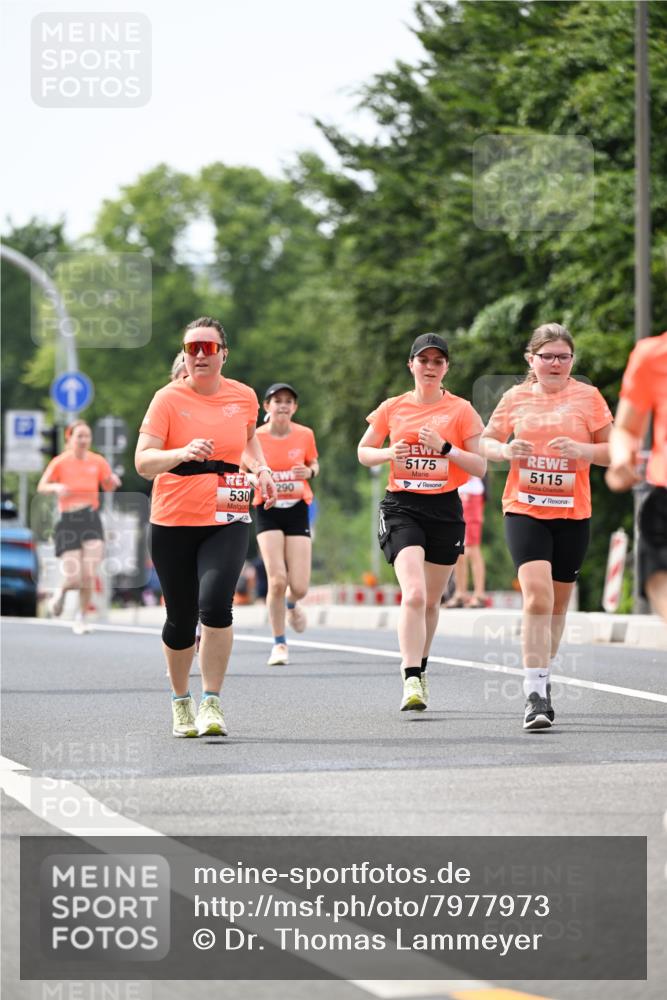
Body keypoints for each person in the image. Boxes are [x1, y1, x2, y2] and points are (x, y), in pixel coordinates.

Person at [135, 317, 277, 738]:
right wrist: (181, 451)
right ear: (184, 352)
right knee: (180, 619)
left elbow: (248, 441)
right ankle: (181, 702)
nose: (199, 355)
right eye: (192, 347)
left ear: (223, 354)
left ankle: (211, 702)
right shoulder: (167, 399)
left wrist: (262, 467)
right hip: (173, 517)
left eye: (207, 348)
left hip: (226, 514)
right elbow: (143, 462)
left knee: (215, 605)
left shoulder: (245, 397)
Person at [480, 322, 613, 730]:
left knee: (556, 607)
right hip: (525, 508)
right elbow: (484, 442)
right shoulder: (515, 397)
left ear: (571, 360)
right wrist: (504, 448)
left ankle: (544, 673)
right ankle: (534, 694)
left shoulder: (588, 397)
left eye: (563, 356)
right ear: (531, 360)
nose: (555, 363)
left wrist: (582, 449)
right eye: (547, 356)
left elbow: (613, 452)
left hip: (573, 514)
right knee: (536, 599)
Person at [358, 333, 486, 712]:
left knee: (431, 601)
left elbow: (480, 466)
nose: (430, 367)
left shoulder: (462, 410)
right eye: (423, 360)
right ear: (411, 364)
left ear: (446, 367)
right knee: (413, 594)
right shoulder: (392, 407)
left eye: (438, 361)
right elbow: (363, 451)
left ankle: (422, 669)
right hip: (402, 507)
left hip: (445, 509)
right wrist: (387, 453)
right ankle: (411, 677)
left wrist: (445, 448)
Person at [245, 383, 319, 666]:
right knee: (277, 580)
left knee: (298, 586)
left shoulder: (305, 435)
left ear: (295, 408)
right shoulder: (255, 438)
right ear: (267, 407)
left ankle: (292, 604)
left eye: (289, 401)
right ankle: (279, 644)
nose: (283, 405)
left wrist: (309, 471)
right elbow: (242, 473)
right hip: (267, 508)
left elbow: (314, 464)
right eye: (278, 401)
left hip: (297, 508)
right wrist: (259, 479)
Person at [605, 331, 667, 621]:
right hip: (664, 493)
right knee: (656, 575)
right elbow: (628, 428)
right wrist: (620, 459)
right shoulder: (652, 354)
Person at [37, 420, 121, 634]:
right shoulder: (60, 462)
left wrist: (113, 481)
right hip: (68, 520)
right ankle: (61, 593)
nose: (84, 440)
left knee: (88, 574)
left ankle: (81, 617)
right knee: (74, 576)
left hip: (91, 517)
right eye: (79, 436)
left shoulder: (98, 461)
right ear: (70, 438)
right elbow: (42, 486)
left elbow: (108, 485)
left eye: (87, 436)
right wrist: (56, 487)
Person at [446, 474, 487, 608]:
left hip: (471, 494)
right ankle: (460, 593)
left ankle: (479, 594)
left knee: (472, 547)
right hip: (456, 493)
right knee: (458, 546)